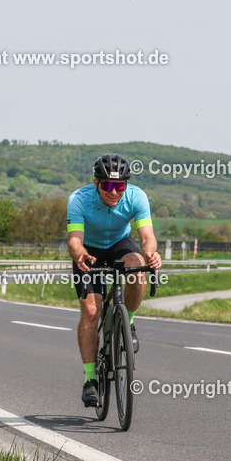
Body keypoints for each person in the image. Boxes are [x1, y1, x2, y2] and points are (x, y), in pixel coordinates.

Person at [67, 154, 162, 408]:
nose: (114, 191)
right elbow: (74, 240)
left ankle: (127, 322)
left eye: (119, 186)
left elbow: (147, 237)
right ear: (96, 183)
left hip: (120, 244)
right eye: (108, 185)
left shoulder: (137, 197)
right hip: (89, 250)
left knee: (137, 271)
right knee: (91, 312)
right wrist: (80, 254)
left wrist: (150, 253)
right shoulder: (78, 199)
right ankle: (90, 379)